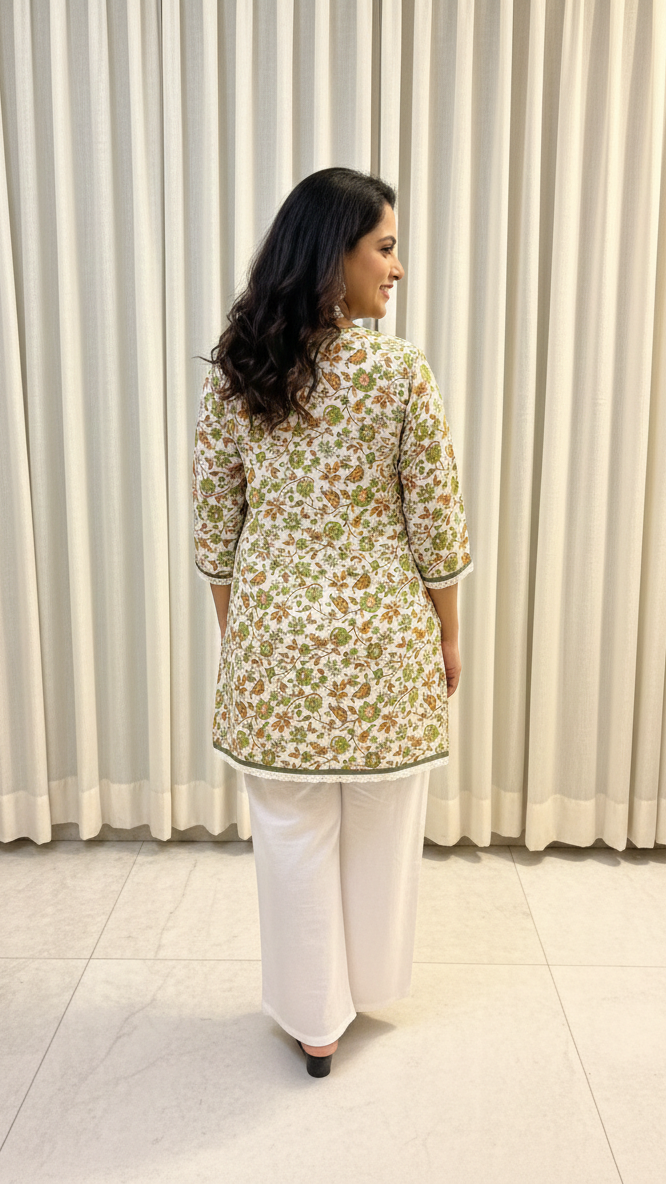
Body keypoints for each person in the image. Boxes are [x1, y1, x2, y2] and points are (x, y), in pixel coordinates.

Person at [192, 167, 473, 1078]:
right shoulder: (398, 370)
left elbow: (215, 533)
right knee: (384, 821)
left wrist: (243, 638)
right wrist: (450, 632)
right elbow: (436, 519)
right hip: (384, 643)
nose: (396, 269)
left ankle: (315, 1018)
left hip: (276, 643)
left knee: (290, 831)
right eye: (384, 248)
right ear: (333, 256)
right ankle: (368, 985)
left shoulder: (239, 370)